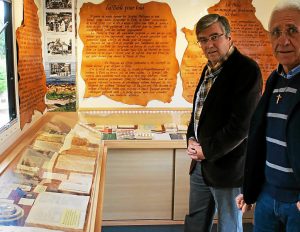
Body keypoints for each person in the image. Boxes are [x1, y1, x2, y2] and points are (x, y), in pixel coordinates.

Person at [184, 14, 262, 232]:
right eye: (203, 39)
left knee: (229, 224)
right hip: (200, 165)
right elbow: (198, 113)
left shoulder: (247, 70)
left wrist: (205, 151)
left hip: (227, 168)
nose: (209, 44)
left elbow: (241, 126)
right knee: (196, 221)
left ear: (228, 37)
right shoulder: (208, 68)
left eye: (214, 36)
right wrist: (191, 138)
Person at [236, 0, 300, 231]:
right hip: (266, 198)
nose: (283, 41)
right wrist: (250, 189)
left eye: (292, 30)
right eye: (276, 33)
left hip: (296, 204)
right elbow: (259, 140)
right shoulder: (274, 80)